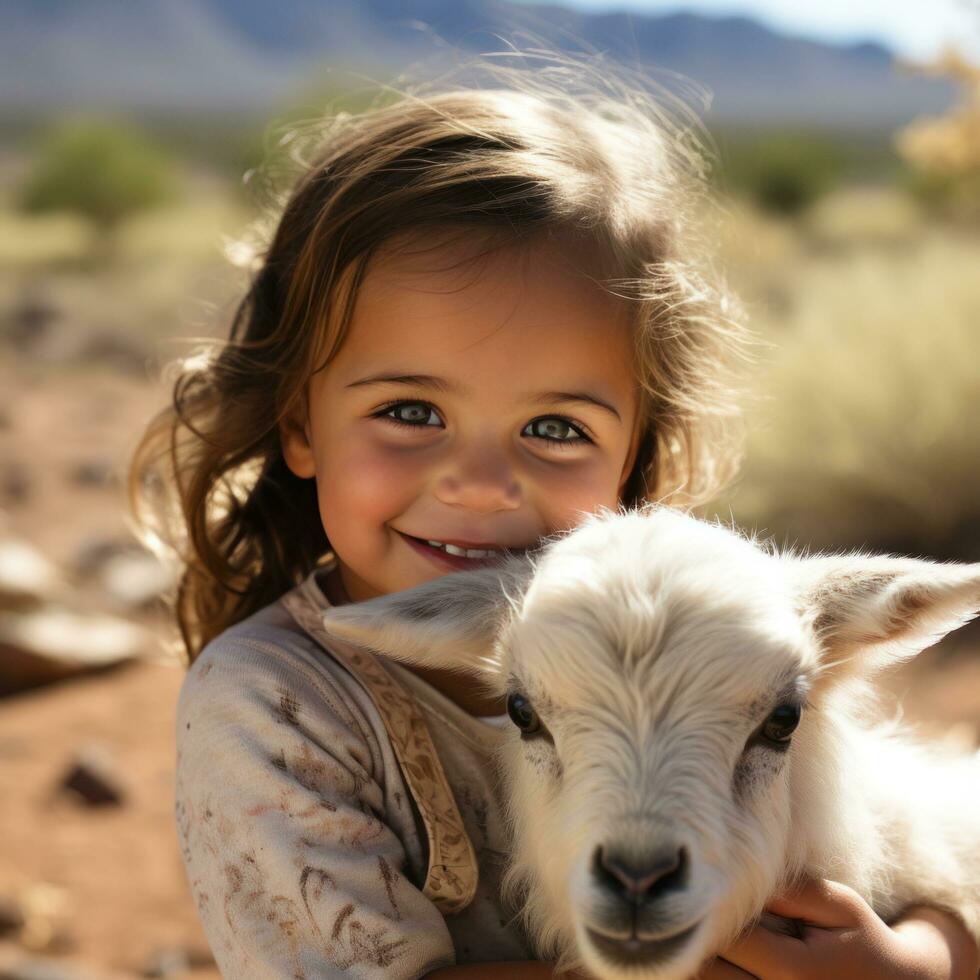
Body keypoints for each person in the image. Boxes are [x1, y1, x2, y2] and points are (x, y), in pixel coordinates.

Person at [129, 55, 979, 980]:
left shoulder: (721, 638)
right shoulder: (273, 707)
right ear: (300, 424)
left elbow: (935, 864)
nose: (483, 483)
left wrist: (924, 961)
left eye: (554, 427)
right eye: (411, 412)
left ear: (637, 450)